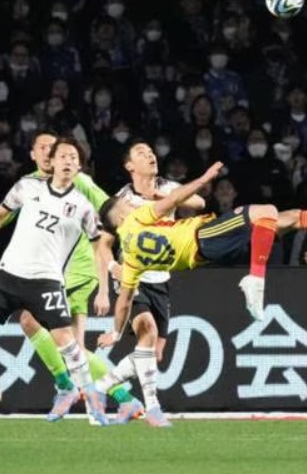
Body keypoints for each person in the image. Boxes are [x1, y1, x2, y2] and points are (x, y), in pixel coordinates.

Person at [0, 131, 142, 422]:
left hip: (77, 268)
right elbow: (2, 215)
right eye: (45, 148)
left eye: (57, 149)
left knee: (46, 330)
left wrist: (108, 279)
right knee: (62, 339)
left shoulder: (78, 181)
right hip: (50, 270)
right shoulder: (31, 185)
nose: (52, 153)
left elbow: (110, 212)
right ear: (36, 155)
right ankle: (109, 397)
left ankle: (89, 392)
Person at [96, 163, 307, 331]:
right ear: (120, 217)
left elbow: (124, 302)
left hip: (206, 252)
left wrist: (116, 333)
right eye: (126, 204)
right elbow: (173, 200)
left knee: (292, 218)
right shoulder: (137, 218)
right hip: (205, 236)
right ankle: (255, 280)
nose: (132, 204)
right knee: (266, 211)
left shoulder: (130, 259)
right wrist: (204, 179)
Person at [96, 141, 206, 427]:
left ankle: (100, 387)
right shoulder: (122, 200)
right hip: (134, 278)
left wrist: (166, 197)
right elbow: (103, 244)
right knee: (147, 330)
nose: (150, 155)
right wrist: (112, 270)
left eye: (151, 152)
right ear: (129, 166)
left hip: (161, 278)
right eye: (141, 154)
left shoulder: (167, 187)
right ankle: (153, 408)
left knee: (152, 353)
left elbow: (200, 204)